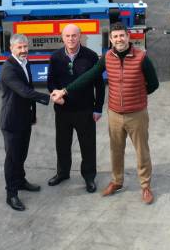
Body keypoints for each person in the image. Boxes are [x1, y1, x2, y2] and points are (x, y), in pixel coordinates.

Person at [51, 22, 159, 204]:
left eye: (122, 36)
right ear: (110, 39)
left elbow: (153, 84)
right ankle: (117, 182)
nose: (119, 39)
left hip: (136, 114)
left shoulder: (141, 58)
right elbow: (89, 76)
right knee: (116, 150)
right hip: (115, 114)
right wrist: (66, 91)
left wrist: (137, 96)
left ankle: (145, 186)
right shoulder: (107, 57)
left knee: (142, 151)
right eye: (115, 36)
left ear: (128, 37)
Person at [0, 33, 59, 212]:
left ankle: (21, 181)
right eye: (19, 47)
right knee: (12, 158)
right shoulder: (8, 69)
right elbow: (24, 91)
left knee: (22, 154)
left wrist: (32, 115)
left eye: (25, 47)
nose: (24, 50)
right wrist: (50, 98)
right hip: (11, 122)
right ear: (11, 48)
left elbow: (29, 88)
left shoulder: (25, 63)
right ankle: (11, 194)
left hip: (24, 118)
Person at [46, 24, 105, 193]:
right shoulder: (56, 57)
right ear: (62, 37)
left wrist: (98, 108)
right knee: (62, 144)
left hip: (85, 110)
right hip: (63, 110)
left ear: (80, 36)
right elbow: (51, 82)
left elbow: (99, 85)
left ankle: (89, 177)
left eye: (74, 35)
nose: (71, 39)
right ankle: (62, 173)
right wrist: (57, 99)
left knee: (88, 145)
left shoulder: (91, 56)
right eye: (67, 36)